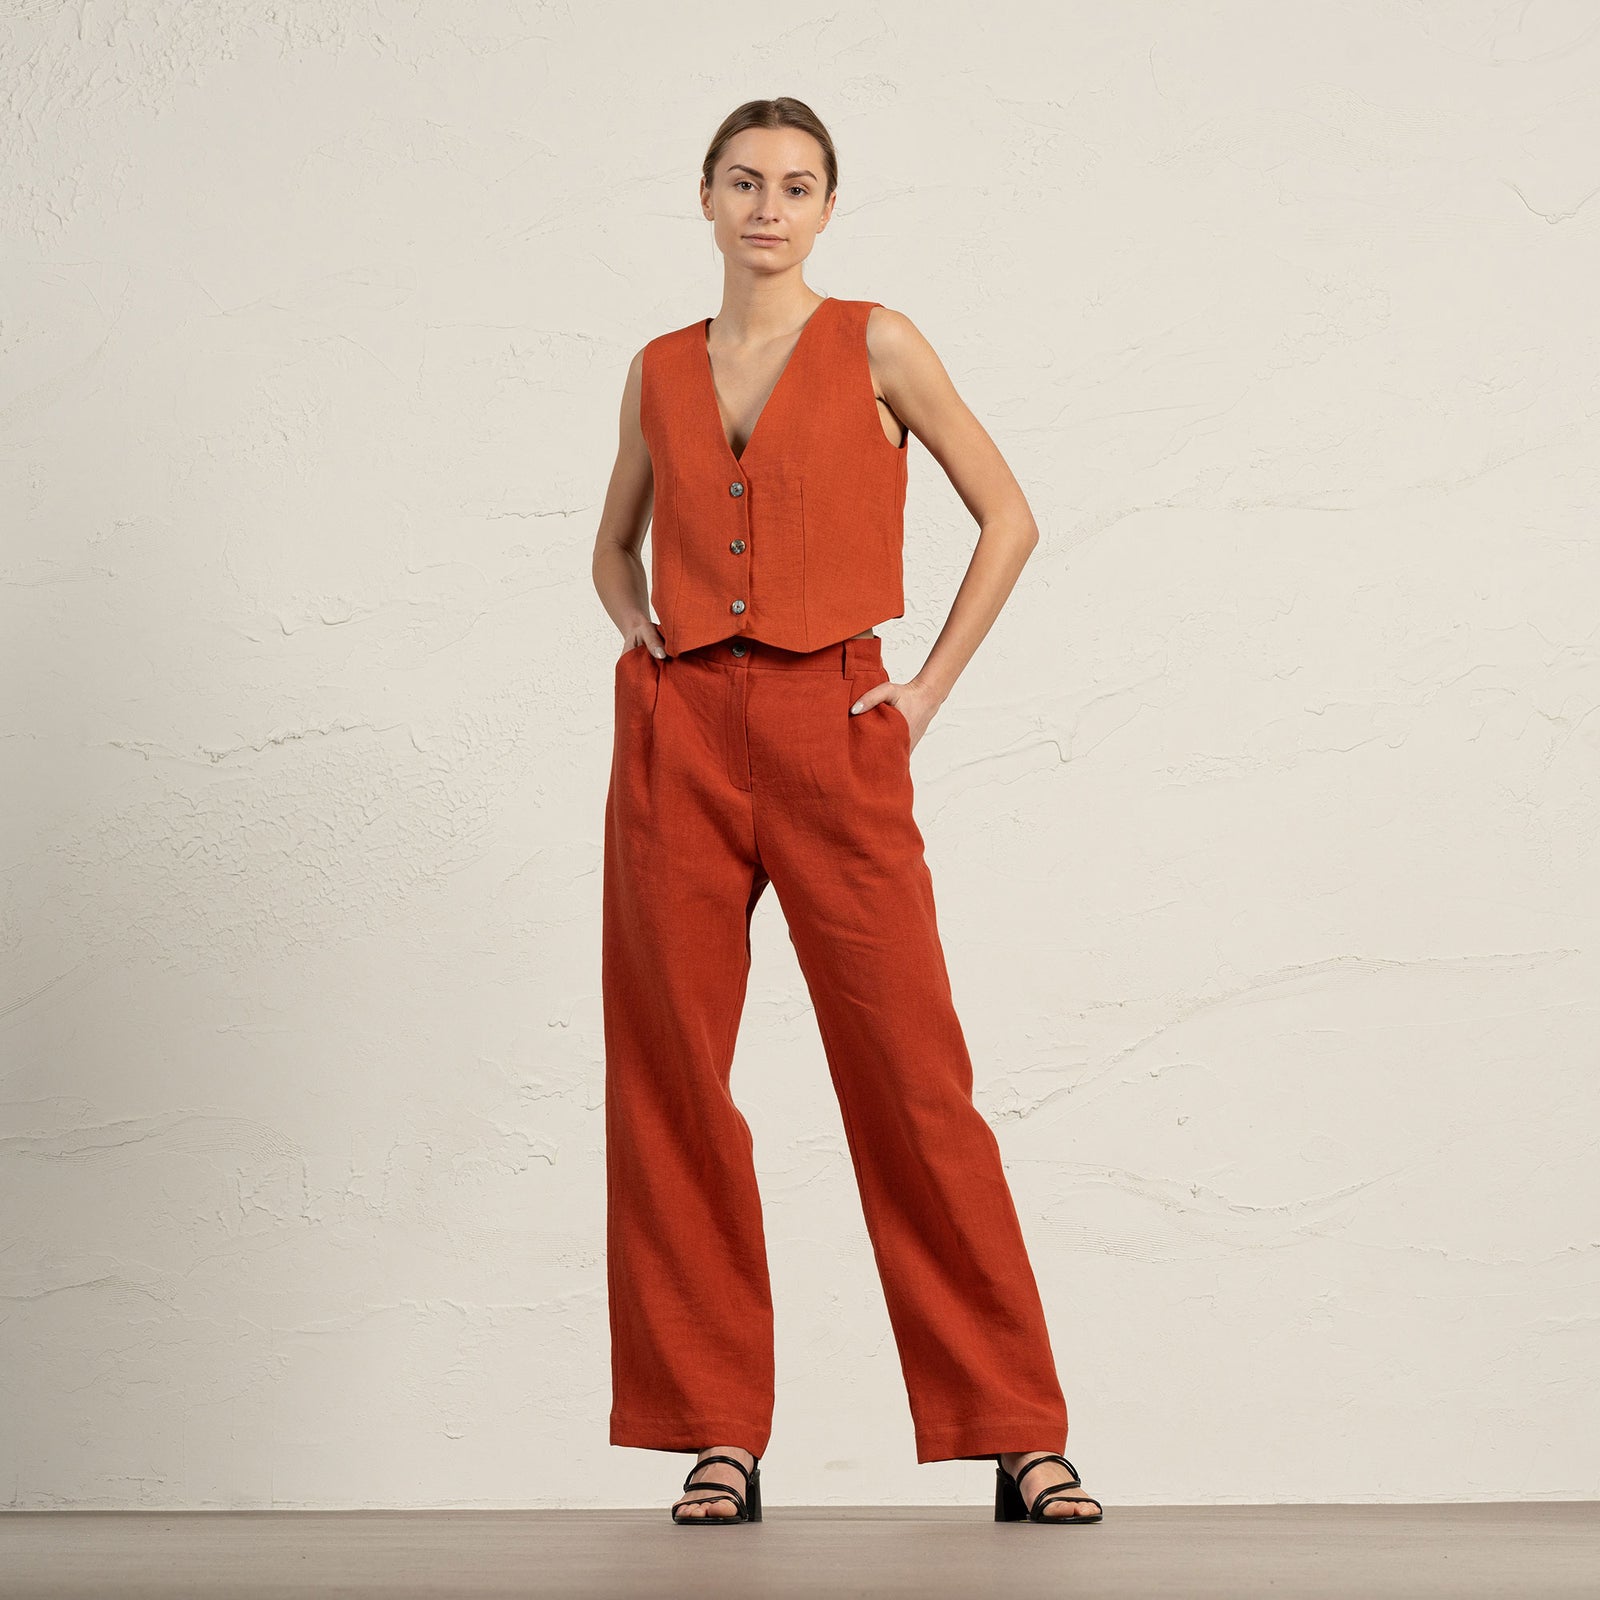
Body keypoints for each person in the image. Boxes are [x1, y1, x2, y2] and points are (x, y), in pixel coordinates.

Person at [590, 96, 1103, 1529]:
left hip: (839, 722)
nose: (770, 207)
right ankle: (714, 1435)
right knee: (673, 1082)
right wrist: (642, 640)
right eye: (745, 182)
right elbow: (612, 544)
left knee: (912, 1078)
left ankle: (1017, 1429)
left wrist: (924, 690)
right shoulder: (656, 369)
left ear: (828, 207)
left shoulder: (878, 342)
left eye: (798, 185)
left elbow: (1009, 514)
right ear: (705, 197)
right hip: (681, 735)